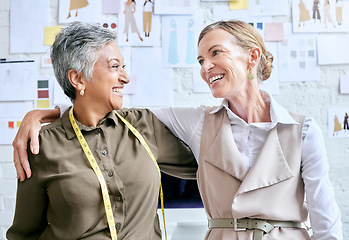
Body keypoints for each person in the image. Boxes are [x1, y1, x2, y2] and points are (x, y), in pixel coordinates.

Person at [12, 20, 343, 240]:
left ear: (251, 57)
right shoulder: (198, 122)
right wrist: (44, 114)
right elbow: (95, 112)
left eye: (216, 53)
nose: (205, 67)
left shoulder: (302, 130)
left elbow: (326, 219)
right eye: (200, 60)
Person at [7, 21, 197, 240]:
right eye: (115, 66)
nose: (125, 77)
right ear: (78, 79)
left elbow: (209, 166)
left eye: (123, 67)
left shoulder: (143, 125)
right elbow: (24, 235)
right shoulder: (41, 145)